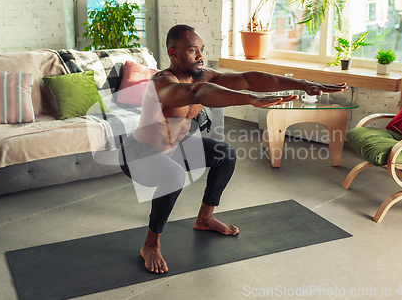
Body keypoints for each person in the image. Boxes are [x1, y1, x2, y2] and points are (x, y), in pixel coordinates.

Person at [120, 24, 347, 274]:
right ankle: (150, 244)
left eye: (202, 50)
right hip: (140, 153)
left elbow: (249, 79)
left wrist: (302, 84)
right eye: (193, 50)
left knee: (225, 154)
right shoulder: (162, 83)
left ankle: (205, 218)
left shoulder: (202, 74)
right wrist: (248, 99)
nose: (200, 56)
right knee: (174, 175)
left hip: (176, 146)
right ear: (173, 53)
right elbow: (198, 93)